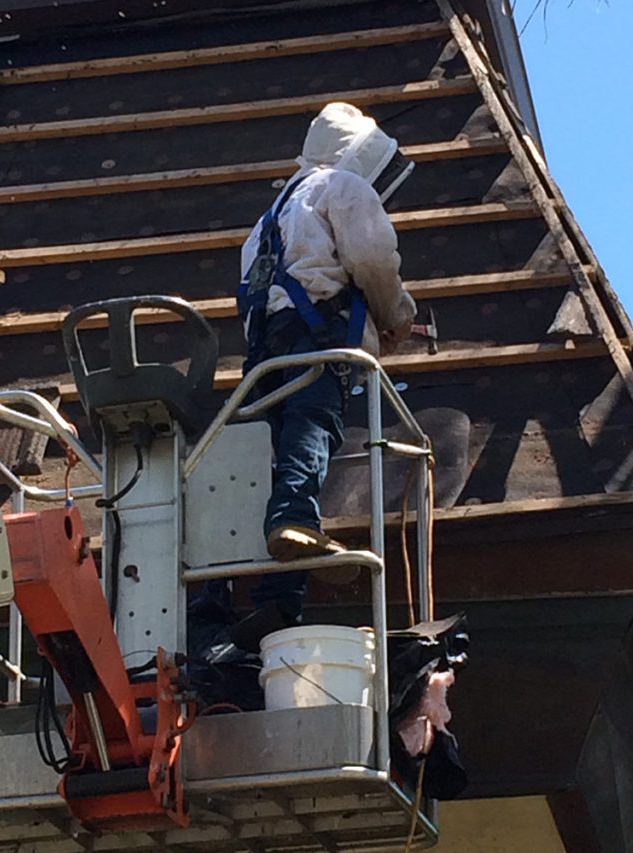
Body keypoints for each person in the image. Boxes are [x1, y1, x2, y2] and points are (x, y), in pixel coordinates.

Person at [236, 101, 418, 623]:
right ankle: (294, 518)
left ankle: (275, 604)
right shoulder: (345, 187)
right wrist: (396, 316)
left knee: (277, 454)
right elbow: (373, 261)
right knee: (313, 426)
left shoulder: (267, 218)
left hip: (265, 348)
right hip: (318, 337)